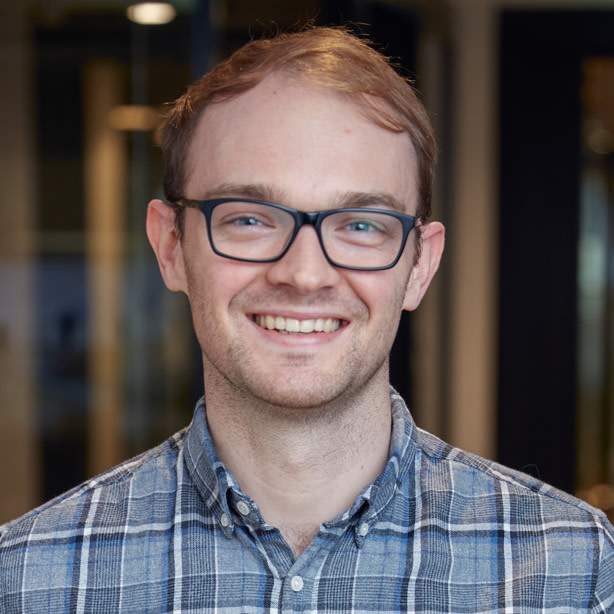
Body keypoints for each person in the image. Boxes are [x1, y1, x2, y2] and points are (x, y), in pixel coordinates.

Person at [1, 26, 613, 614]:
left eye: (362, 225)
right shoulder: (29, 581)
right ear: (170, 246)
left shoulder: (576, 574)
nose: (304, 274)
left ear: (420, 266)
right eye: (249, 218)